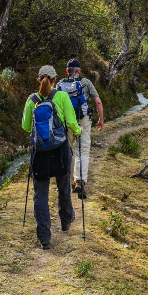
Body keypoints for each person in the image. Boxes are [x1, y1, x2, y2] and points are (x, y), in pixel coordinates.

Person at [21, 64, 81, 250]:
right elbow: (71, 123)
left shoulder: (32, 100)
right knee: (63, 187)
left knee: (40, 194)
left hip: (39, 153)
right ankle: (65, 221)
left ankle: (44, 238)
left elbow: (25, 127)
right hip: (60, 150)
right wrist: (79, 130)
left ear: (39, 79)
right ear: (55, 80)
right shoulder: (62, 96)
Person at [60, 58, 104, 200]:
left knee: (70, 150)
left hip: (67, 121)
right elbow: (97, 101)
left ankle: (70, 183)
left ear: (67, 71)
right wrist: (101, 119)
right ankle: (80, 180)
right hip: (83, 119)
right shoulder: (85, 82)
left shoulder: (60, 84)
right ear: (79, 71)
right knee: (82, 150)